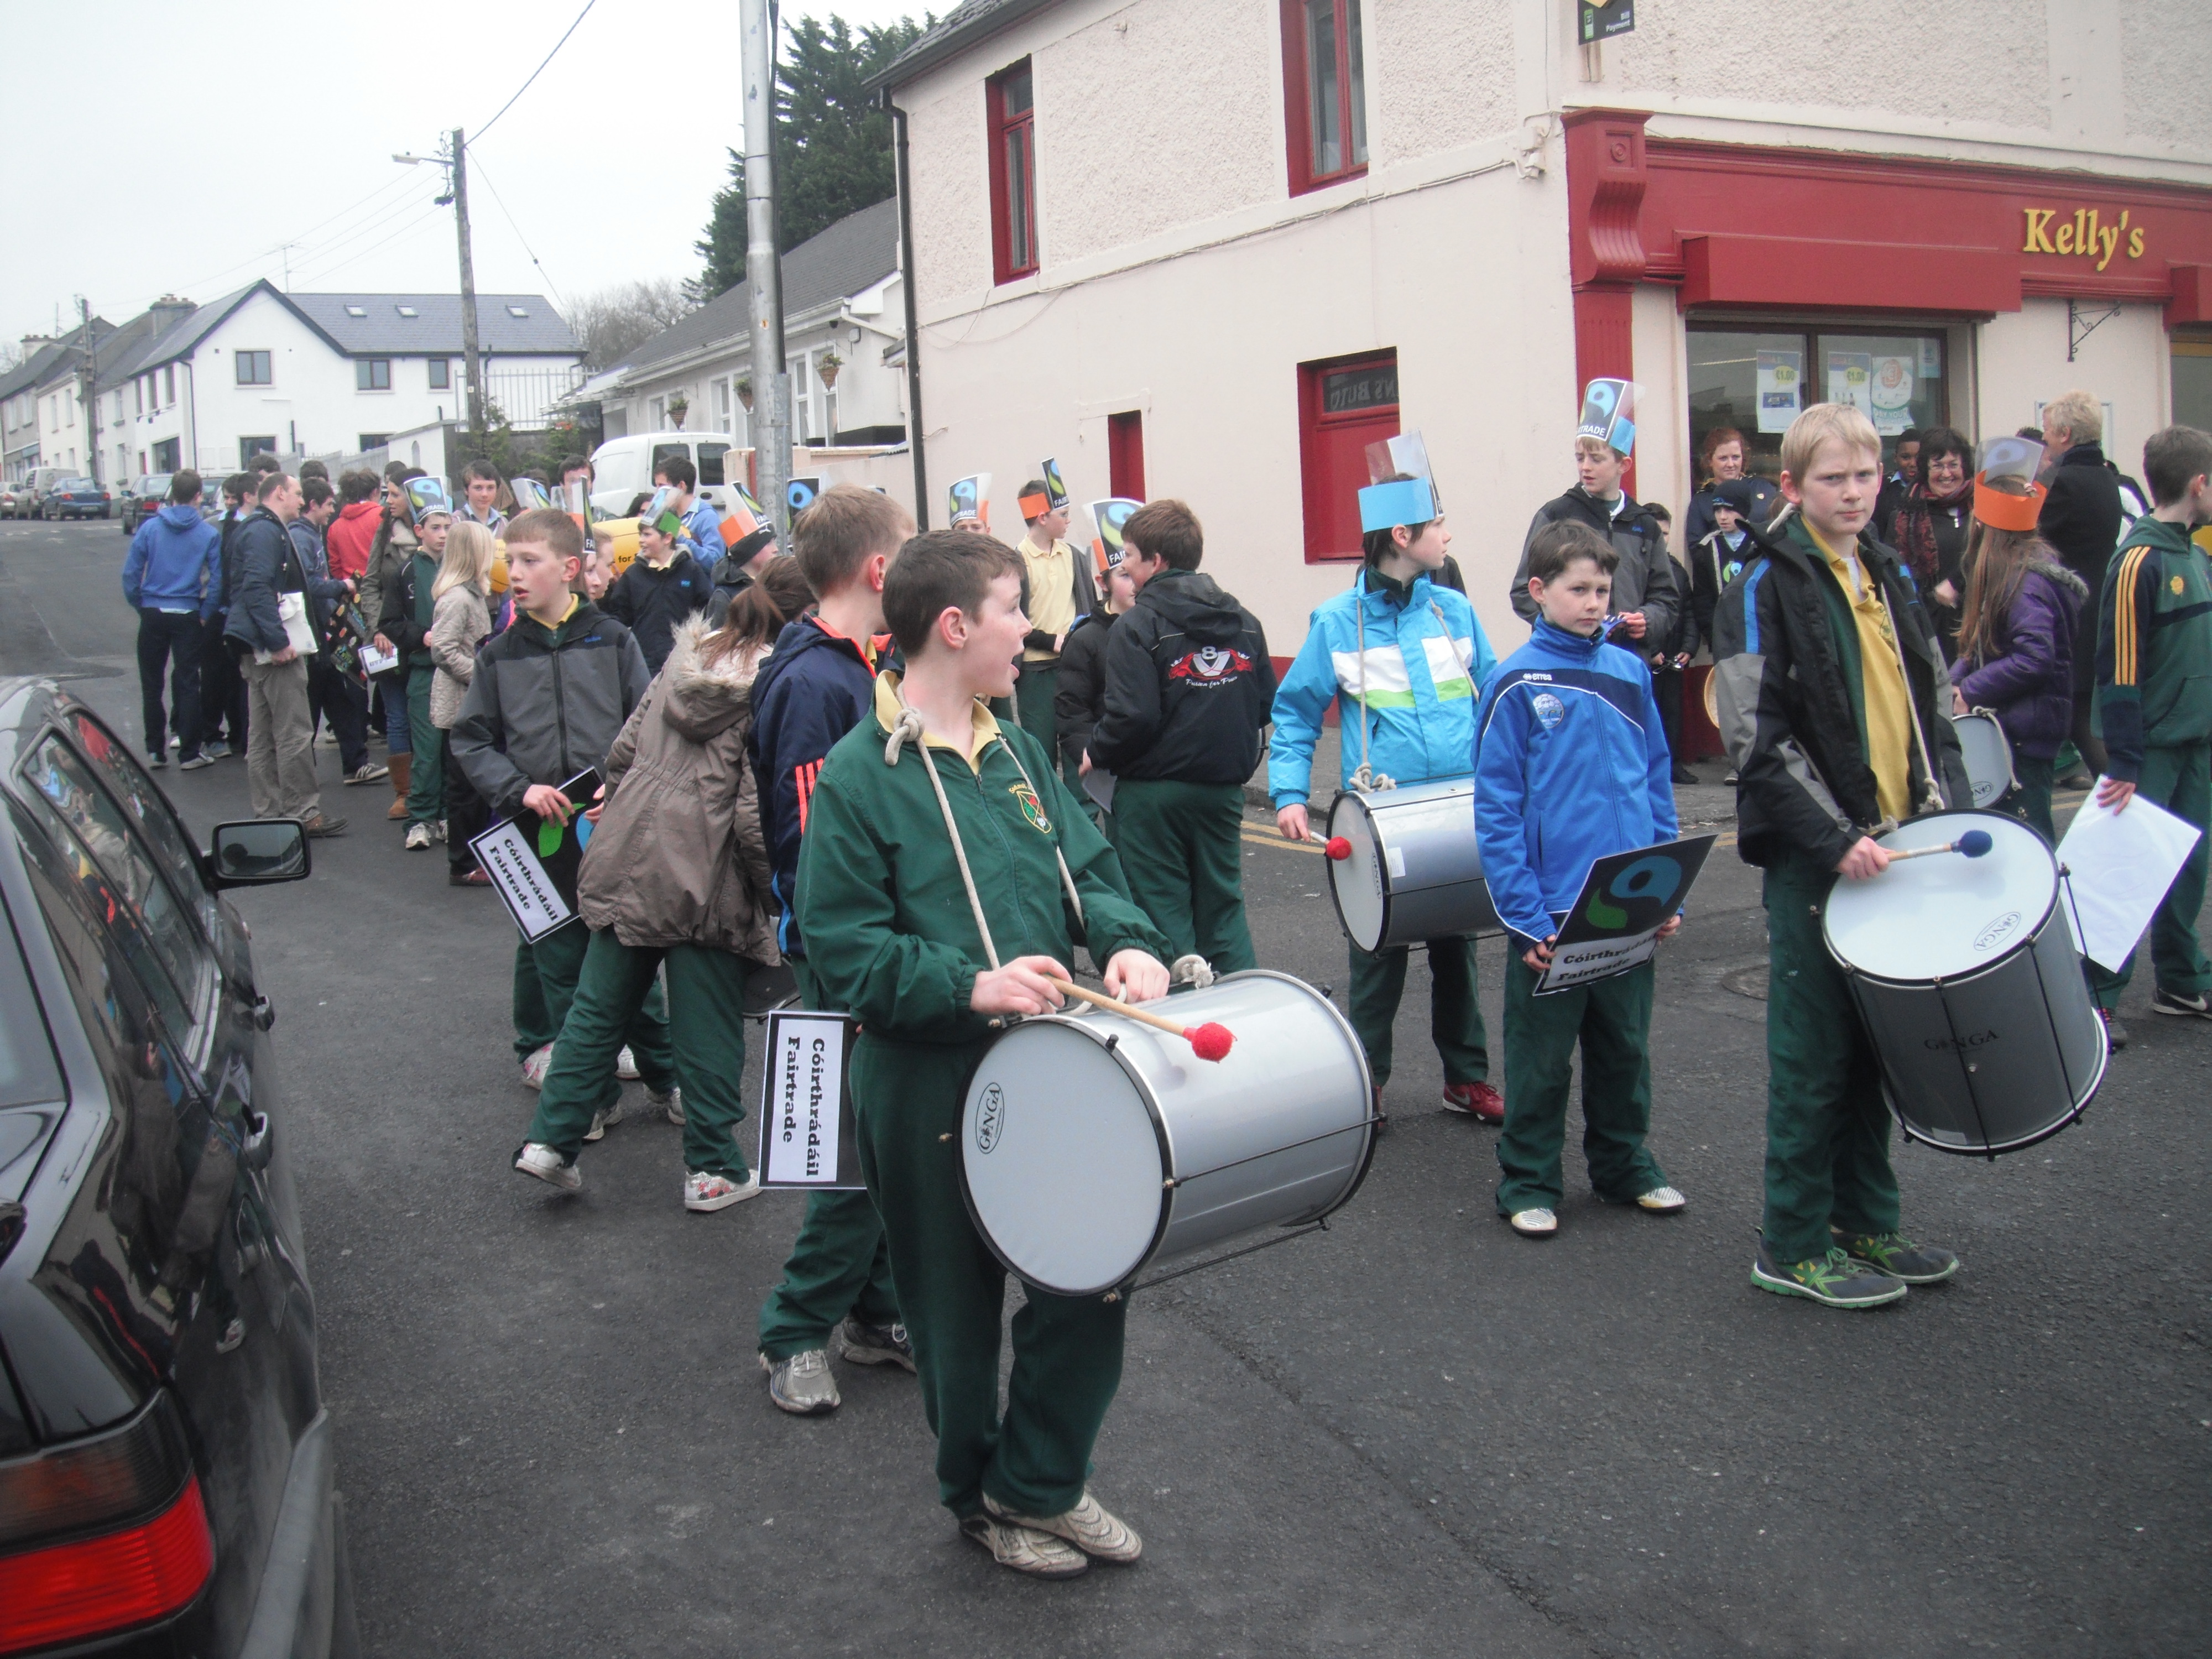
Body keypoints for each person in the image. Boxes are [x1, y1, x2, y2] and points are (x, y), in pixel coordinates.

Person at [794, 528, 1171, 1578]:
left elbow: (1086, 869)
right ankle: (976, 1499)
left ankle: (1038, 1482)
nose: (1030, 631)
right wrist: (966, 984)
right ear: (956, 627)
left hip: (1049, 1064)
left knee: (1090, 1277)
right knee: (954, 1318)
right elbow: (841, 949)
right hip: (925, 1082)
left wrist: (1127, 940)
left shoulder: (1017, 750)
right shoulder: (859, 777)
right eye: (1014, 609)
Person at [1709, 403, 1968, 1309]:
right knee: (1813, 1056)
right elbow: (1754, 737)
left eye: (1864, 476)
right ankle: (1791, 1243)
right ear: (1792, 486)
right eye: (1832, 479)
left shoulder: (1887, 571)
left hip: (1895, 848)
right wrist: (1835, 837)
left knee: (1874, 1052)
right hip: (1819, 861)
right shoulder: (1759, 584)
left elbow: (1931, 703)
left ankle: (1866, 1225)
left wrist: (1945, 814)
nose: (1852, 493)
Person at [513, 573, 801, 1209]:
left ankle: (550, 1142)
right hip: (708, 877)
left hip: (631, 854)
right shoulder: (776, 685)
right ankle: (712, 1169)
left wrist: (621, 819)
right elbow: (752, 817)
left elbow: (622, 751)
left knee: (595, 1010)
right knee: (707, 1029)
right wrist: (778, 898)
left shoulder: (683, 658)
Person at [1270, 468, 1504, 1124]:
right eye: (1438, 524)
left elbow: (1495, 701)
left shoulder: (1453, 610)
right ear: (1402, 535)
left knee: (1458, 948)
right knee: (1377, 953)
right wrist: (1288, 794)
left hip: (1458, 809)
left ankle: (1465, 1079)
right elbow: (1295, 713)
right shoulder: (1336, 622)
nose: (1448, 535)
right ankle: (1366, 1082)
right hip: (1381, 818)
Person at [750, 485, 914, 1416]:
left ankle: (875, 1312)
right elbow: (816, 845)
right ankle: (793, 1331)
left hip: (870, 941)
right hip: (843, 952)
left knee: (888, 1142)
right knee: (852, 1158)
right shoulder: (817, 683)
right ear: (880, 571)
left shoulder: (858, 666)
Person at [1474, 520, 1687, 1238]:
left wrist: (1664, 887)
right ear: (1539, 591)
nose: (1595, 603)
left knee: (1625, 1048)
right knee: (1541, 1059)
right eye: (1579, 590)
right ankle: (1529, 1181)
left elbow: (1654, 778)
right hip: (1553, 912)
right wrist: (1525, 916)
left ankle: (1625, 1167)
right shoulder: (1514, 681)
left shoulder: (1630, 672)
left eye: (1602, 590)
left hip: (1627, 901)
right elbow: (1496, 810)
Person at [452, 509, 659, 1090]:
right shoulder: (498, 654)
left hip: (606, 820)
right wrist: (517, 789)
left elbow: (647, 725)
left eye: (528, 560)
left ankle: (626, 1043)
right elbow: (471, 739)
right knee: (545, 936)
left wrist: (620, 787)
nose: (513, 573)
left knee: (621, 934)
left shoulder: (614, 640)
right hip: (534, 822)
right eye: (508, 560)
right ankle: (547, 1046)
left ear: (570, 569)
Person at [1085, 500, 1274, 974]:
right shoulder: (1245, 621)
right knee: (1224, 911)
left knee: (1163, 913)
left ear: (1156, 561)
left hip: (1152, 795)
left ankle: (1183, 1011)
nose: (1126, 567)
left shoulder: (1136, 625)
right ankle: (1244, 1007)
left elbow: (1132, 717)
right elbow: (1265, 705)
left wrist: (1096, 750)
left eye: (1130, 555)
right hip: (1223, 790)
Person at [2086, 424, 2212, 1038]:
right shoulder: (2139, 560)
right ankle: (2096, 999)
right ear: (2199, 484)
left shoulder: (2197, 554)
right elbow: (2119, 667)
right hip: (2152, 748)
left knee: (2189, 866)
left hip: (2196, 742)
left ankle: (2182, 981)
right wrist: (2125, 760)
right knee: (2126, 874)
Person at [1950, 472, 2085, 846]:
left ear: (1983, 527)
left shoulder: (2024, 583)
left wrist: (1971, 689)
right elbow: (1982, 646)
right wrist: (1954, 682)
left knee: (2031, 841)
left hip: (2023, 735)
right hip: (2019, 728)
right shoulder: (2018, 575)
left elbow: (2034, 657)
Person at [223, 472, 348, 836]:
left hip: (254, 645)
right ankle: (303, 813)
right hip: (271, 648)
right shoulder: (265, 532)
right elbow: (257, 588)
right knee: (293, 731)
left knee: (262, 735)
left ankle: (270, 813)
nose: (301, 500)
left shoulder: (256, 529)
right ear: (279, 493)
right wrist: (277, 642)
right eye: (296, 493)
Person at [1510, 431, 1678, 652]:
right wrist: (1567, 626)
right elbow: (1524, 590)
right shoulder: (1555, 516)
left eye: (1596, 459)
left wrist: (1648, 619)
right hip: (1565, 654)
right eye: (1580, 458)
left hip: (1627, 656)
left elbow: (1666, 597)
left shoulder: (1645, 525)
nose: (1585, 467)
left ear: (1623, 465)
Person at [2039, 390, 2127, 784]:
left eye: (2047, 432)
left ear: (2065, 434)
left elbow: (2024, 536)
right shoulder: (2106, 477)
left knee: (2078, 720)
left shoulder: (2062, 482)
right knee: (2086, 716)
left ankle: (2122, 796)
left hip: (2068, 615)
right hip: (2097, 612)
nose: (2044, 439)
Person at [122, 469, 221, 771]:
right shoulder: (208, 534)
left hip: (153, 610)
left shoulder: (150, 528)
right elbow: (217, 581)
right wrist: (206, 612)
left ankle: (155, 750)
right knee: (188, 682)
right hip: (188, 612)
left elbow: (131, 573)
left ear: (172, 494)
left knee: (152, 684)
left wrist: (140, 604)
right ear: (199, 496)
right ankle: (189, 752)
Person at [378, 492, 453, 851]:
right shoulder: (406, 572)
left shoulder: (459, 568)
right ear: (420, 531)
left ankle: (447, 813)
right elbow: (390, 622)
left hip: (456, 672)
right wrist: (420, 636)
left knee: (452, 750)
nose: (443, 534)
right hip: (424, 670)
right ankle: (420, 818)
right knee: (426, 749)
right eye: (435, 528)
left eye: (447, 527)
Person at [430, 521, 498, 887]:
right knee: (464, 789)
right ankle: (462, 864)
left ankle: (473, 857)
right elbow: (443, 650)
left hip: (470, 703)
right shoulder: (458, 598)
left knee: (474, 787)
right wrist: (481, 675)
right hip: (459, 705)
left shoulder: (472, 594)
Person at [291, 477, 373, 782]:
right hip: (316, 631)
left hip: (321, 629)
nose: (331, 511)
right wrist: (342, 586)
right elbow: (310, 584)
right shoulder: (303, 538)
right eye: (328, 506)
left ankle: (355, 763)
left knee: (336, 699)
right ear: (314, 505)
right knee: (317, 702)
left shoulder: (314, 534)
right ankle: (307, 770)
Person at [1009, 479, 1098, 755]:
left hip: (1073, 667)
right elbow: (1011, 620)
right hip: (1035, 673)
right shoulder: (1015, 562)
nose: (1069, 520)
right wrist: (1050, 641)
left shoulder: (1074, 557)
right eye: (1063, 514)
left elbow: (1089, 608)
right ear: (1042, 517)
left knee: (1079, 747)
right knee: (1040, 749)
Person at [361, 467, 426, 822]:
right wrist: (377, 629)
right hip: (390, 641)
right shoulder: (385, 530)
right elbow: (371, 583)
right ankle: (404, 793)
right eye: (386, 494)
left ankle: (432, 787)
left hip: (425, 640)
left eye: (395, 494)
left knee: (428, 718)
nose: (388, 501)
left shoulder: (437, 530)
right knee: (397, 717)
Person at [1054, 544, 1137, 822]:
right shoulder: (1086, 639)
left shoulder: (1160, 629)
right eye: (1124, 575)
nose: (1136, 582)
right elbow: (1072, 708)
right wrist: (1091, 752)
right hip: (1110, 763)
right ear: (1103, 582)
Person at [1887, 426, 1974, 660]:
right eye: (1937, 466)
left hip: (1980, 628)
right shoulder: (1906, 516)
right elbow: (1895, 579)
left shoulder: (1983, 508)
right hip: (1931, 633)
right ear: (1925, 469)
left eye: (1953, 465)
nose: (1946, 474)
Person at [602, 498, 714, 675]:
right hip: (644, 664)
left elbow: (707, 612)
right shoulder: (633, 574)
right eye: (641, 535)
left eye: (647, 535)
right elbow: (619, 616)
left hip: (683, 665)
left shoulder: (691, 571)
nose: (641, 541)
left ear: (667, 538)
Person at [1641, 501, 1700, 785]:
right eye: (1657, 532)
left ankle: (1673, 764)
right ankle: (1647, 768)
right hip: (1647, 657)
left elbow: (1688, 610)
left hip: (1674, 657)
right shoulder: (1635, 568)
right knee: (1646, 713)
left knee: (1672, 714)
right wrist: (1651, 651)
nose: (1661, 539)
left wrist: (1688, 648)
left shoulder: (1676, 570)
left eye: (1665, 533)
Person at [200, 473, 254, 760]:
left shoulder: (249, 525)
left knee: (239, 678)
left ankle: (238, 735)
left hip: (233, 609)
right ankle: (211, 734)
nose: (230, 502)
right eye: (227, 498)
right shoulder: (216, 527)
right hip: (220, 609)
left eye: (233, 497)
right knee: (214, 676)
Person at [1682, 426, 1749, 554]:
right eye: (1723, 458)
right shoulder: (1702, 501)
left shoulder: (1761, 489)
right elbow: (1697, 550)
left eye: (1736, 457)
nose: (1731, 464)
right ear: (1710, 460)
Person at [651, 455, 726, 564]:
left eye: (662, 486)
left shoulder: (707, 517)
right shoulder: (666, 514)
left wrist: (681, 539)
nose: (658, 492)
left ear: (681, 486)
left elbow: (715, 561)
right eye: (657, 486)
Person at [1873, 427, 1922, 541]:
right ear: (1896, 458)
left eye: (1918, 457)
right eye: (1906, 457)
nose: (1913, 463)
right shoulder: (1880, 487)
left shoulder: (1932, 489)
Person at [457, 458, 507, 537]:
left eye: (490, 488)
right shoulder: (457, 521)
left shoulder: (503, 523)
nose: (485, 494)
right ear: (466, 490)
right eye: (478, 488)